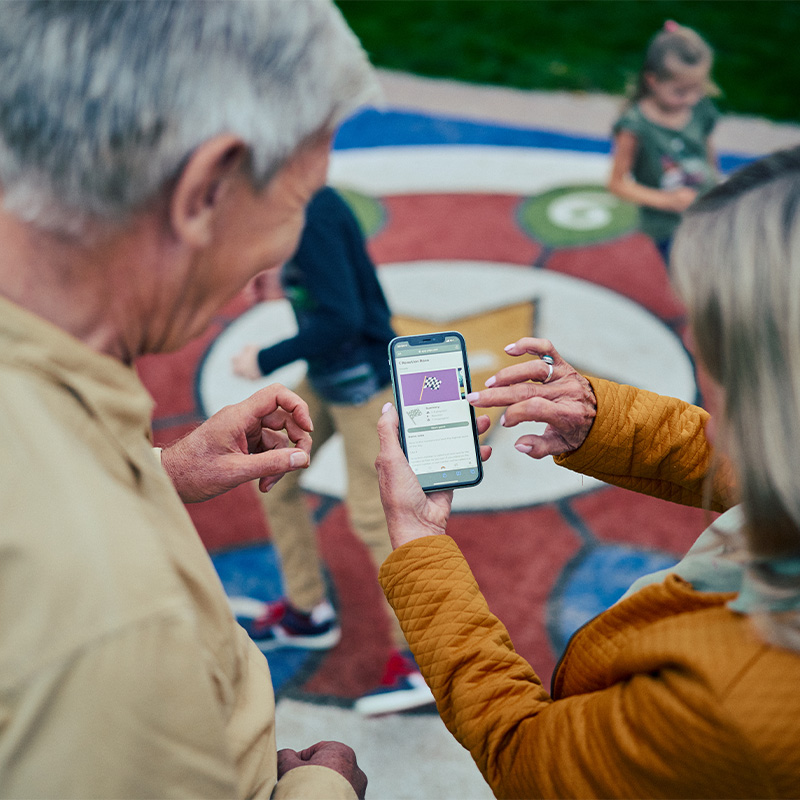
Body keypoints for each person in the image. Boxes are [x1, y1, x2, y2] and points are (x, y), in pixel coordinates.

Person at [0, 1, 377, 796]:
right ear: (204, 190)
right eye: (296, 200)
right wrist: (324, 790)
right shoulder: (115, 618)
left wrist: (154, 472)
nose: (282, 250)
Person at [373, 147, 800, 798]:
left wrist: (420, 546)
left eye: (712, 329)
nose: (693, 343)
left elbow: (525, 756)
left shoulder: (731, 703)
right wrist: (602, 421)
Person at [231, 186, 435, 716]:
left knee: (375, 515)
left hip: (366, 382)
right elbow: (331, 287)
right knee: (274, 474)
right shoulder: (294, 204)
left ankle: (421, 659)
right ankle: (307, 611)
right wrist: (287, 279)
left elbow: (342, 317)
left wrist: (266, 356)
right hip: (329, 377)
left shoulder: (312, 209)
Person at [607, 20, 720, 264]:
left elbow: (708, 150)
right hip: (667, 227)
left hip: (706, 212)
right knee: (687, 276)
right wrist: (667, 201)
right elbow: (617, 184)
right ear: (653, 81)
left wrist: (717, 182)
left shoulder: (700, 108)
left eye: (698, 88)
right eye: (680, 92)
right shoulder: (635, 126)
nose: (691, 99)